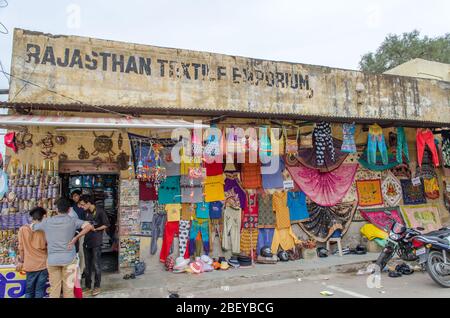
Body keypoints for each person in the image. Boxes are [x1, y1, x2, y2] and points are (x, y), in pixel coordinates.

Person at [31, 197, 93, 298]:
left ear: (56, 209)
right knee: (68, 290)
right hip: (69, 260)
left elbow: (32, 227)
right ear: (69, 210)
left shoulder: (47, 221)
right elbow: (89, 226)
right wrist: (76, 237)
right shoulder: (73, 221)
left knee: (54, 289)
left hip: (53, 260)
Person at [79, 194, 110, 297]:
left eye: (83, 205)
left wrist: (95, 229)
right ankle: (88, 287)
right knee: (87, 267)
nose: (82, 207)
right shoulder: (86, 212)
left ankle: (97, 286)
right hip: (87, 242)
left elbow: (106, 224)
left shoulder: (100, 211)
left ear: (88, 203)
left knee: (96, 265)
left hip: (96, 242)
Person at [16, 207, 48, 298]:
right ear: (42, 217)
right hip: (43, 264)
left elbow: (21, 248)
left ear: (32, 218)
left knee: (29, 291)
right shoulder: (44, 230)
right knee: (39, 291)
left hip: (30, 265)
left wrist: (21, 261)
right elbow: (47, 246)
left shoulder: (23, 229)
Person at [68, 190, 86, 277]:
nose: (75, 198)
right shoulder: (72, 207)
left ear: (80, 196)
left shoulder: (83, 206)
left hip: (82, 231)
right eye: (73, 196)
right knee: (75, 251)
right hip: (73, 232)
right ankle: (76, 269)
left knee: (81, 251)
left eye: (76, 196)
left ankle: (82, 270)